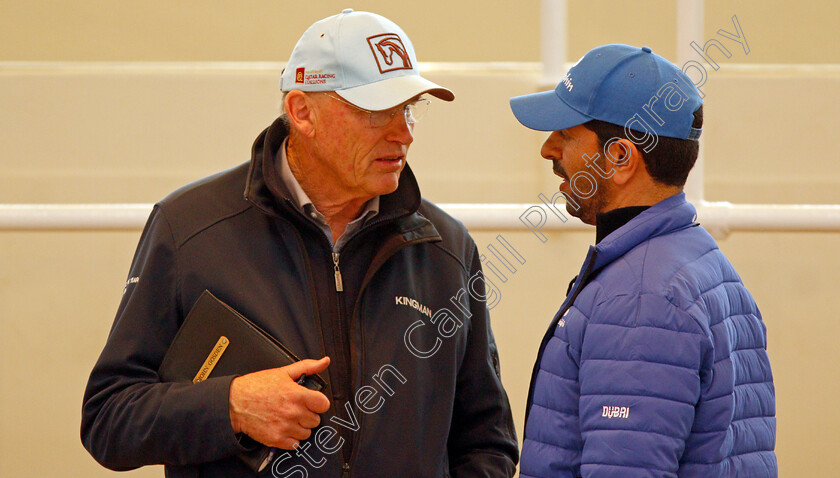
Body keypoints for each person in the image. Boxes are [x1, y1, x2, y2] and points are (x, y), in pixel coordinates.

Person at [81, 9, 518, 477]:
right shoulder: (188, 229)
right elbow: (109, 419)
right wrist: (229, 407)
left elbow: (486, 441)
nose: (404, 133)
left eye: (410, 108)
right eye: (377, 113)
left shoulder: (446, 248)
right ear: (302, 112)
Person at [509, 44, 777, 477]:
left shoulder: (640, 297)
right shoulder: (700, 264)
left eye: (567, 132)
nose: (548, 149)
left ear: (620, 157)